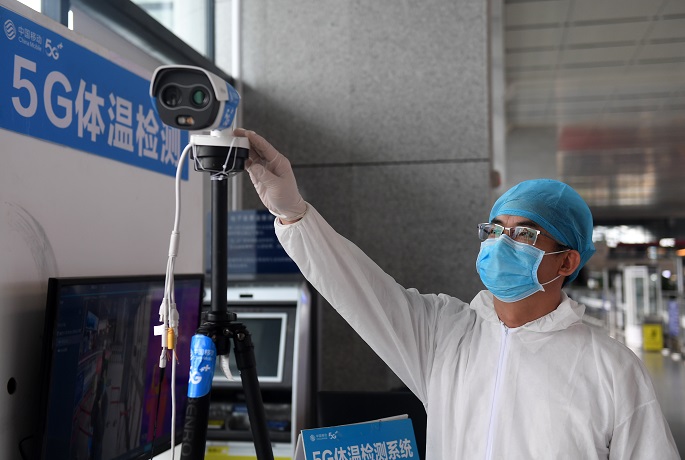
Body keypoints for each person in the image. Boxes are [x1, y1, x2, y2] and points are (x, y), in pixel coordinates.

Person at [233, 128, 680, 459]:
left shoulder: (611, 369)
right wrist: (294, 215)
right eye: (494, 230)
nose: (501, 244)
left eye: (524, 235)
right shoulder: (445, 335)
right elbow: (359, 290)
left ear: (566, 262)